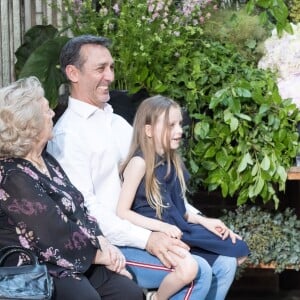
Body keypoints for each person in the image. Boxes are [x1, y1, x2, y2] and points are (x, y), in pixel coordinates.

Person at [47, 34, 242, 300]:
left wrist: (198, 217)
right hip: (112, 244)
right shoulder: (67, 136)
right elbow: (86, 211)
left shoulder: (118, 124)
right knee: (199, 271)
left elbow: (159, 183)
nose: (110, 77)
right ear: (73, 73)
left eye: (111, 67)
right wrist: (147, 239)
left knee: (225, 262)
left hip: (151, 227)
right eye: (100, 68)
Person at [0, 76, 143, 300]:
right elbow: (50, 230)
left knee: (129, 292)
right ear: (30, 123)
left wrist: (103, 241)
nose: (52, 114)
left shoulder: (47, 161)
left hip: (75, 256)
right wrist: (101, 254)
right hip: (37, 266)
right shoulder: (11, 174)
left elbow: (79, 206)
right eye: (47, 110)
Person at [117, 95, 250, 299]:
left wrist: (205, 221)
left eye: (180, 124)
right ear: (149, 130)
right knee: (194, 268)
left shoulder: (172, 162)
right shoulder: (139, 163)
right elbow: (122, 212)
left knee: (237, 251)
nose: (179, 130)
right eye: (171, 125)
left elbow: (179, 209)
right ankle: (157, 297)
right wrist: (162, 228)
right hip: (156, 233)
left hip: (179, 227)